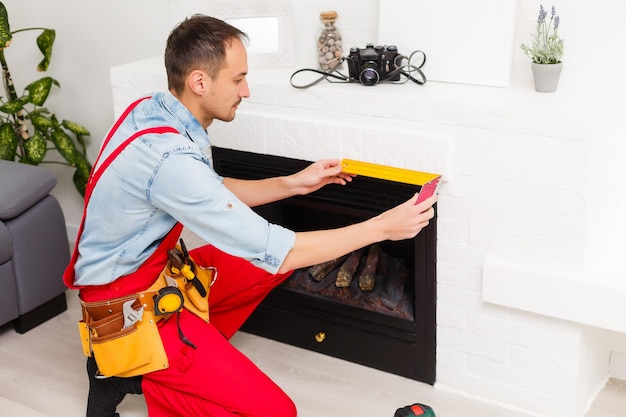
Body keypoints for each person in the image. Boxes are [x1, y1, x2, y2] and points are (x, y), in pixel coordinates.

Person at [64, 14, 437, 417]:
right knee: (278, 412)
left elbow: (212, 188)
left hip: (160, 276)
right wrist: (382, 226)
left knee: (266, 268)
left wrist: (293, 183)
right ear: (199, 82)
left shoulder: (160, 112)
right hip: (131, 309)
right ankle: (136, 371)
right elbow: (281, 249)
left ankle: (180, 362)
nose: (247, 90)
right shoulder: (168, 157)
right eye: (238, 78)